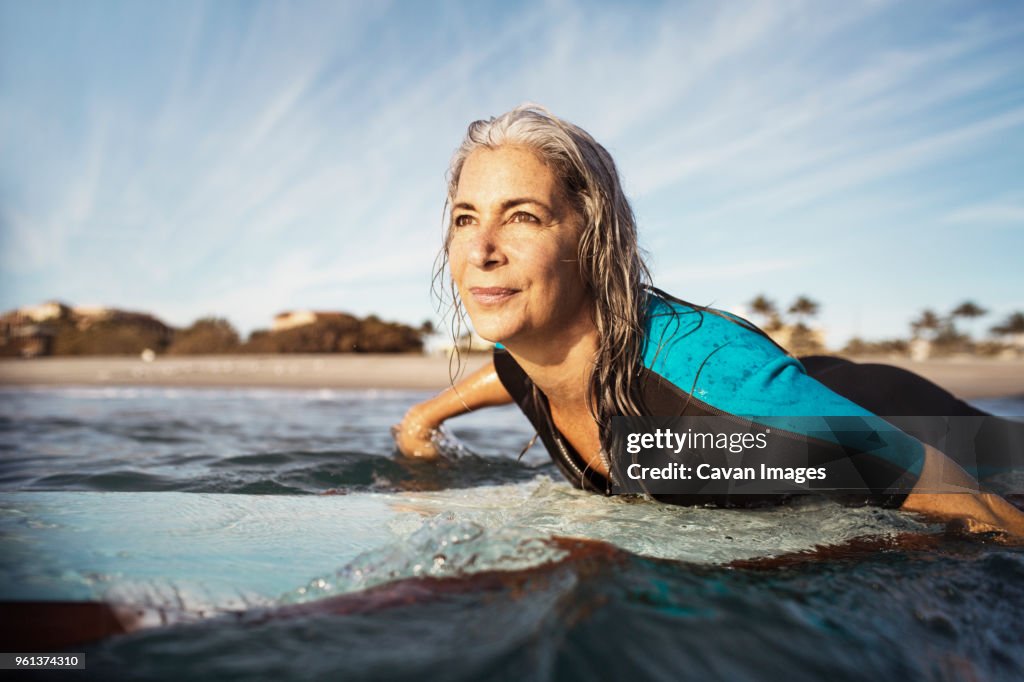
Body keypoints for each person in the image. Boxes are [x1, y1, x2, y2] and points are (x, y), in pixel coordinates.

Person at [393, 104, 1024, 538]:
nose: (481, 251)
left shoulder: (705, 406)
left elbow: (967, 499)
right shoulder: (533, 348)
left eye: (523, 216)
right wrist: (426, 416)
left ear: (593, 240)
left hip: (914, 425)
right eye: (465, 218)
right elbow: (511, 371)